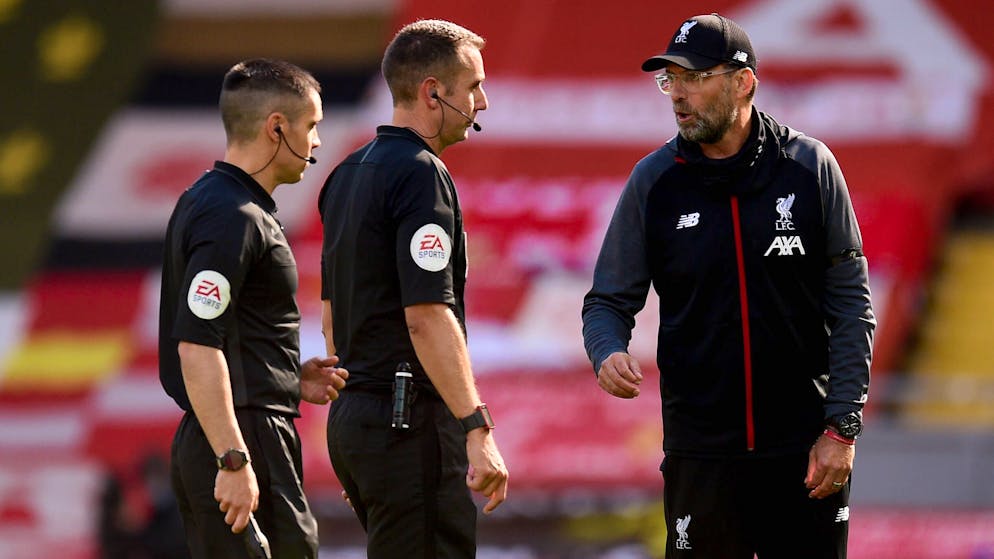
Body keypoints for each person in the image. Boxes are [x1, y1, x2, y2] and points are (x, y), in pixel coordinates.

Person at [582, 13, 875, 558]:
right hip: (702, 452)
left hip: (804, 449)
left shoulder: (809, 167)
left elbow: (852, 306)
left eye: (694, 77)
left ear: (743, 82)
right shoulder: (655, 180)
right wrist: (606, 350)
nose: (677, 94)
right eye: (670, 79)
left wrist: (843, 427)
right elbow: (606, 300)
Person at [318, 19, 508, 558]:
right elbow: (426, 313)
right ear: (432, 92)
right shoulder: (422, 174)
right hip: (408, 422)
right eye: (473, 87)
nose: (484, 102)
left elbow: (332, 316)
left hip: (355, 422)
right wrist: (476, 426)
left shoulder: (347, 173)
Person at [159, 58, 348, 558]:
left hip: (239, 426)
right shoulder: (234, 215)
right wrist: (233, 459)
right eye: (312, 126)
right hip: (243, 437)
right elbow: (198, 344)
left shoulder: (214, 201)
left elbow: (229, 335)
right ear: (277, 127)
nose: (317, 143)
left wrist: (285, 379)